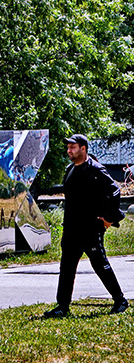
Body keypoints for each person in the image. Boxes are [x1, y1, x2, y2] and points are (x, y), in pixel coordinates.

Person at [43, 134, 127, 318]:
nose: (69, 151)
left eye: (73, 147)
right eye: (68, 148)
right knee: (66, 267)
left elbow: (114, 191)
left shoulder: (96, 169)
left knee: (100, 265)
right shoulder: (70, 170)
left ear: (83, 148)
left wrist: (109, 218)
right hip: (72, 228)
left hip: (90, 228)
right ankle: (62, 307)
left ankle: (120, 300)